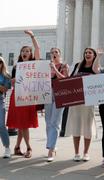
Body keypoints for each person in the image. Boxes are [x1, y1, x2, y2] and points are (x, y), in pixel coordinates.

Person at [6, 30, 40, 158]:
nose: (25, 53)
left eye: (27, 51)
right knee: (22, 123)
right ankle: (29, 148)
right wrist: (12, 81)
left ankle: (17, 147)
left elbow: (38, 48)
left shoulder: (33, 64)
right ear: (20, 54)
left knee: (23, 123)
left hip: (29, 96)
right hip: (18, 96)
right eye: (23, 51)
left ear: (30, 53)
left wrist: (32, 36)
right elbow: (13, 82)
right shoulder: (17, 66)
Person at [65, 47, 99, 161]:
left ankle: (86, 152)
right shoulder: (78, 65)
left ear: (93, 55)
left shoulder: (95, 67)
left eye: (90, 53)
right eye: (85, 53)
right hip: (76, 100)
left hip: (89, 101)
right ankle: (76, 153)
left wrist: (98, 56)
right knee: (76, 125)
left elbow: (97, 74)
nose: (87, 54)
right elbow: (70, 80)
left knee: (87, 126)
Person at [45, 47, 69, 162]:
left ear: (59, 54)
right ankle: (51, 145)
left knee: (55, 122)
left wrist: (54, 68)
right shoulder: (46, 66)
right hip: (48, 94)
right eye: (52, 53)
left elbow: (65, 79)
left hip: (60, 95)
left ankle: (51, 149)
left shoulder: (64, 66)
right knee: (48, 122)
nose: (54, 54)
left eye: (56, 52)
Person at [0, 57, 11, 158]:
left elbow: (4, 89)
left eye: (0, 62)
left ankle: (7, 147)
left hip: (0, 101)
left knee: (1, 125)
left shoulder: (6, 76)